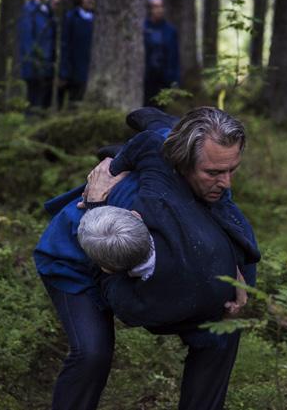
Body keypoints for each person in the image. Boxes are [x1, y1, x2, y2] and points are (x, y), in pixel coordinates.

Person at [34, 107, 260, 410]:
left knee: (221, 330)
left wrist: (231, 273)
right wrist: (97, 200)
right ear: (182, 163)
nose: (227, 182)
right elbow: (130, 304)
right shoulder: (139, 201)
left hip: (152, 255)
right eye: (215, 173)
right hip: (83, 253)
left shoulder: (207, 172)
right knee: (92, 353)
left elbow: (158, 136)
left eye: (233, 169)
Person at [18, 0, 56, 112]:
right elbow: (27, 39)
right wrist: (34, 61)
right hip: (35, 65)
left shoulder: (48, 10)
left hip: (47, 64)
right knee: (34, 101)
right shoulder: (29, 10)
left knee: (45, 101)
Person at [58, 0, 94, 109]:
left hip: (92, 69)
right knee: (75, 102)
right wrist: (64, 73)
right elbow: (65, 45)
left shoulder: (95, 17)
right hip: (76, 71)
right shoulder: (71, 17)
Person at [143, 0, 180, 107]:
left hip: (164, 80)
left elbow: (175, 57)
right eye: (155, 6)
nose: (158, 9)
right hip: (146, 80)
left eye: (161, 6)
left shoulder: (170, 30)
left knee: (161, 111)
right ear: (149, 9)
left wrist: (175, 81)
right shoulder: (142, 28)